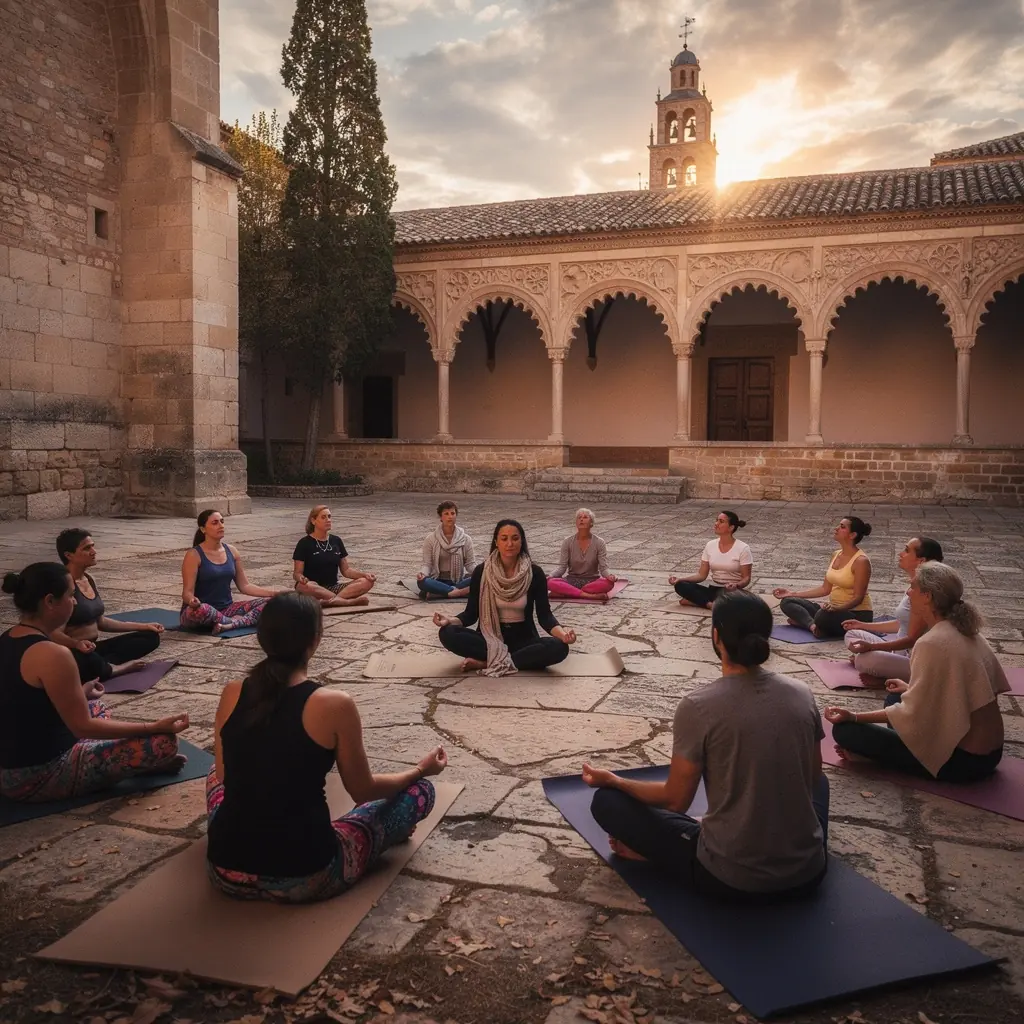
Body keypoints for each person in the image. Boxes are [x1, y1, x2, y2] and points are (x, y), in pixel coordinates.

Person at [583, 591, 829, 901]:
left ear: (716, 636)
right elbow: (812, 778)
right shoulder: (802, 692)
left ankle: (653, 854)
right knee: (822, 788)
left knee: (607, 802)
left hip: (731, 878)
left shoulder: (698, 706)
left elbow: (675, 802)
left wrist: (615, 781)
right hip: (808, 871)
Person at [205, 592, 445, 903]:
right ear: (315, 640)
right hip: (306, 873)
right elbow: (363, 791)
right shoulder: (334, 704)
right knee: (419, 792)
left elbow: (224, 776)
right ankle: (390, 828)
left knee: (213, 771)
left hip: (226, 870)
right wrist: (419, 770)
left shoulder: (232, 692)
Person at [0, 563, 190, 803]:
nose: (75, 602)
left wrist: (81, 692)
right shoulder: (53, 654)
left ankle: (123, 764)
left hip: (11, 764)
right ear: (49, 601)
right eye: (70, 595)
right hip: (36, 776)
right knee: (163, 743)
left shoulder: (8, 637)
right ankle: (131, 766)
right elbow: (83, 728)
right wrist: (152, 727)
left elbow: (24, 702)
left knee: (95, 706)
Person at [825, 563, 1008, 782]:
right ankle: (887, 752)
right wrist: (910, 689)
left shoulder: (931, 642)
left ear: (927, 596)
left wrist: (854, 716)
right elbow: (958, 692)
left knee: (846, 731)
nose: (908, 592)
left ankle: (880, 758)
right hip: (991, 754)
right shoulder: (970, 633)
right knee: (895, 696)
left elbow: (912, 711)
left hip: (963, 762)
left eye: (912, 587)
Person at [433, 519, 577, 676]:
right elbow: (470, 615)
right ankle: (508, 661)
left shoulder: (534, 573)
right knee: (447, 633)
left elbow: (545, 616)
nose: (510, 544)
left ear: (522, 541)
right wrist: (450, 620)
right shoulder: (482, 572)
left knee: (560, 647)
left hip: (524, 641)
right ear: (496, 542)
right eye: (504, 539)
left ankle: (488, 662)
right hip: (490, 639)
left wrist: (563, 635)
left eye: (515, 538)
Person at [48, 528, 164, 695]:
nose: (94, 552)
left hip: (93, 649)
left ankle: (101, 666)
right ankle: (111, 669)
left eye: (93, 546)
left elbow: (101, 622)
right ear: (69, 555)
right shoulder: (65, 587)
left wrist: (143, 626)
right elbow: (54, 633)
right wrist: (76, 644)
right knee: (86, 659)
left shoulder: (89, 579)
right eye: (87, 548)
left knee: (149, 638)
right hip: (74, 652)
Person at [842, 537, 944, 683]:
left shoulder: (924, 593)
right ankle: (882, 667)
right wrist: (861, 625)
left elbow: (911, 640)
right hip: (896, 650)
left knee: (865, 660)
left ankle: (887, 674)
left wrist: (872, 647)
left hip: (912, 660)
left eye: (907, 550)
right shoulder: (913, 585)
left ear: (921, 561)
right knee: (852, 634)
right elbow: (901, 624)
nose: (901, 554)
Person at [180, 510, 281, 634]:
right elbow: (187, 593)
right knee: (204, 610)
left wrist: (274, 593)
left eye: (222, 522)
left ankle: (228, 623)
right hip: (198, 611)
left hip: (227, 608)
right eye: (215, 523)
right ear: (203, 529)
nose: (221, 525)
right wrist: (192, 601)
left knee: (272, 602)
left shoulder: (232, 551)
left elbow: (245, 586)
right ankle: (234, 622)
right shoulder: (193, 555)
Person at [773, 516, 874, 637]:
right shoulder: (836, 554)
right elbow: (825, 589)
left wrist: (837, 608)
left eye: (842, 527)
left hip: (856, 614)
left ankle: (809, 623)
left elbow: (858, 598)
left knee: (822, 616)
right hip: (831, 610)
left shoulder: (861, 561)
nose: (836, 528)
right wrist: (791, 593)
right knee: (787, 602)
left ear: (852, 535)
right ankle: (813, 626)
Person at [293, 506, 377, 607]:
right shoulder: (304, 543)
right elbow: (297, 573)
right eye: (323, 517)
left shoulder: (336, 541)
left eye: (329, 517)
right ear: (313, 520)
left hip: (334, 587)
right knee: (302, 586)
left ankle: (332, 601)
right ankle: (345, 601)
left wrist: (365, 575)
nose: (328, 520)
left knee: (366, 582)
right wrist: (301, 578)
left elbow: (346, 570)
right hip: (314, 587)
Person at [669, 511, 752, 608]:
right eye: (716, 520)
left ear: (731, 527)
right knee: (681, 586)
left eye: (721, 521)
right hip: (714, 588)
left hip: (732, 590)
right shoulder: (710, 545)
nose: (716, 524)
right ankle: (710, 604)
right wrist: (680, 579)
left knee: (736, 600)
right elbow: (701, 575)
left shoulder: (743, 548)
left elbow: (746, 578)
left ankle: (698, 601)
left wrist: (736, 585)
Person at [547, 508, 618, 602]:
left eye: (585, 517)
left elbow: (603, 568)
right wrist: (550, 576)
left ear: (591, 523)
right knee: (550, 582)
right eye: (579, 517)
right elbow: (562, 568)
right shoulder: (567, 542)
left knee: (608, 584)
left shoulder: (599, 542)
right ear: (576, 523)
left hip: (592, 582)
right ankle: (589, 596)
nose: (581, 519)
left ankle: (568, 593)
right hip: (572, 581)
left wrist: (610, 576)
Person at [417, 500, 476, 600]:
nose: (450, 516)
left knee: (481, 579)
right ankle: (461, 593)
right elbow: (427, 564)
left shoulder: (465, 539)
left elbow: (470, 564)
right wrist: (422, 574)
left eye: (453, 513)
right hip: (438, 580)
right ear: (441, 517)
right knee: (422, 582)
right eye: (446, 514)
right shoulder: (431, 539)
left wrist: (481, 572)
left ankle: (443, 593)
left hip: (458, 581)